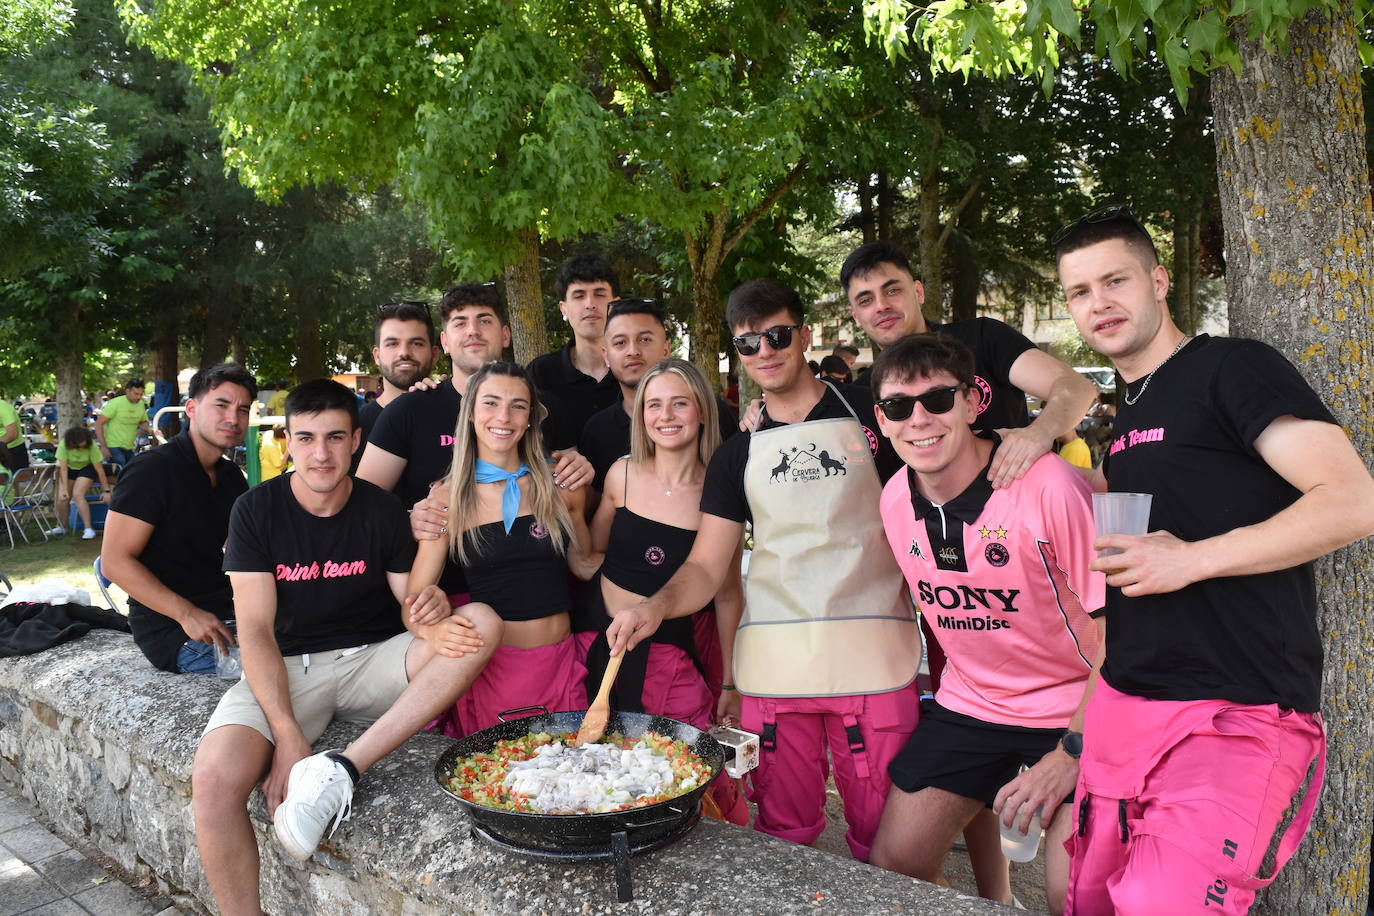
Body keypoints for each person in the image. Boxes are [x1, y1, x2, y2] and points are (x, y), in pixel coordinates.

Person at [1052, 205, 1374, 914]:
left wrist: (1191, 559)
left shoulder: (1233, 366)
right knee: (1078, 899)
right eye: (1080, 291)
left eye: (1116, 280)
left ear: (1159, 280)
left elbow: (1354, 501)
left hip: (1237, 712)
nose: (1099, 303)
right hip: (1128, 707)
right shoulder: (1129, 411)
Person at [607, 278, 919, 861]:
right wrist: (655, 605)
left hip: (874, 657)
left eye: (777, 336)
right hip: (775, 669)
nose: (765, 352)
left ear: (802, 336)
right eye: (748, 343)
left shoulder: (878, 422)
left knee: (889, 842)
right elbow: (705, 565)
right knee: (782, 838)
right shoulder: (737, 452)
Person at [191, 380, 499, 914]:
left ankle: (343, 770)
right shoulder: (255, 510)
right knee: (215, 781)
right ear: (286, 441)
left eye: (335, 437)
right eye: (306, 438)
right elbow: (256, 632)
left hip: (372, 660)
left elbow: (409, 603)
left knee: (481, 621)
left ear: (356, 440)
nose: (321, 453)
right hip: (286, 667)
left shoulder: (381, 509)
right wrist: (287, 736)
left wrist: (428, 617)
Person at [868, 334, 1105, 912]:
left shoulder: (1048, 487)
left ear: (975, 401)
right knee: (896, 866)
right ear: (881, 418)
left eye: (939, 400)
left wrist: (1072, 751)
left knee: (1071, 892)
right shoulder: (895, 496)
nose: (919, 420)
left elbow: (1124, 636)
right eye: (899, 406)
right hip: (975, 703)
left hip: (1079, 707)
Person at [405, 362, 599, 737]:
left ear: (531, 417)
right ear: (471, 413)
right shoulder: (447, 498)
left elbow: (584, 563)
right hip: (489, 669)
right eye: (491, 403)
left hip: (560, 664)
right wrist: (433, 633)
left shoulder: (562, 483)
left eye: (518, 406)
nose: (504, 417)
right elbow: (413, 600)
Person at [841, 241, 1096, 489]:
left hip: (1021, 510)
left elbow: (1076, 388)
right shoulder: (866, 395)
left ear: (918, 292)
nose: (881, 305)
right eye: (865, 300)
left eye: (892, 290)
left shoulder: (982, 338)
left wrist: (1039, 434)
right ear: (856, 317)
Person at [585, 358, 743, 727]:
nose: (665, 415)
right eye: (653, 404)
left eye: (680, 403)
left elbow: (728, 593)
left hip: (671, 652)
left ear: (702, 411)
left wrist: (730, 682)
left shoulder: (720, 494)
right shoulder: (621, 473)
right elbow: (591, 553)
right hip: (595, 641)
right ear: (641, 415)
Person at [102, 364, 257, 673]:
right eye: (221, 405)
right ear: (191, 409)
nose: (233, 418)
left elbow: (245, 555)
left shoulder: (231, 478)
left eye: (243, 410)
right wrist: (186, 614)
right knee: (283, 672)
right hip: (173, 629)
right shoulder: (152, 471)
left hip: (227, 613)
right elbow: (114, 562)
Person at [577, 299, 738, 492]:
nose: (633, 351)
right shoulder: (597, 431)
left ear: (666, 349)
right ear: (606, 355)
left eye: (644, 340)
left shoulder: (714, 413)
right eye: (620, 343)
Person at [527, 254, 622, 450]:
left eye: (599, 294)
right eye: (579, 295)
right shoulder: (541, 373)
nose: (590, 304)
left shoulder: (635, 369)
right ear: (564, 309)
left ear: (615, 305)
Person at [353, 301, 440, 472]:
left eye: (416, 343)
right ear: (377, 356)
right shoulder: (354, 427)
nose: (404, 353)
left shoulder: (458, 414)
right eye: (392, 344)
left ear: (434, 354)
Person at [52, 426, 110, 539]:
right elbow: (63, 469)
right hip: (69, 469)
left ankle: (88, 528)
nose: (80, 448)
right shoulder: (63, 445)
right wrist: (63, 489)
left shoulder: (92, 446)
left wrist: (106, 489)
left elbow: (99, 470)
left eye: (82, 445)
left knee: (78, 494)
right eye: (77, 445)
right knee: (62, 498)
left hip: (87, 468)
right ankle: (62, 526)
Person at [96, 378, 151, 468]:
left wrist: (150, 430)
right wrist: (103, 447)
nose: (138, 397)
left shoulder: (141, 404)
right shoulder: (115, 403)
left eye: (141, 394)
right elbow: (99, 424)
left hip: (129, 447)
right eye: (136, 394)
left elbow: (142, 422)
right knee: (121, 473)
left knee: (131, 472)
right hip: (113, 446)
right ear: (127, 391)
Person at [0, 396, 27, 477]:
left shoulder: (3, 408)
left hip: (13, 450)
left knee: (16, 484)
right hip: (2, 449)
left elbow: (13, 434)